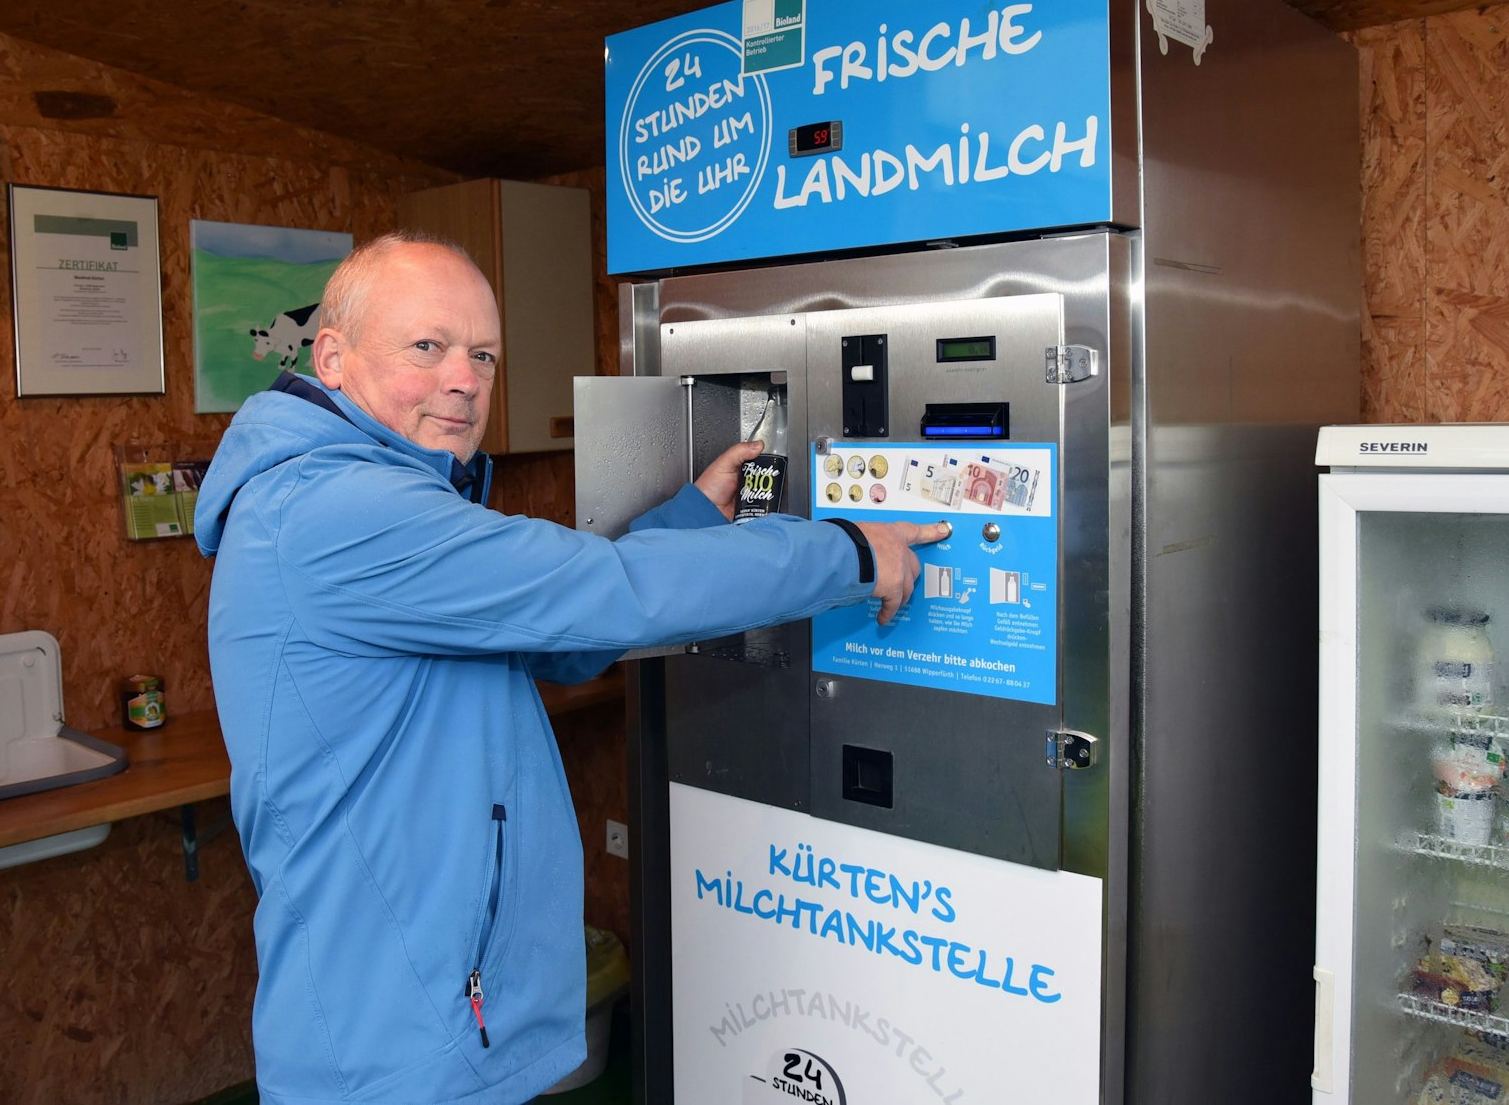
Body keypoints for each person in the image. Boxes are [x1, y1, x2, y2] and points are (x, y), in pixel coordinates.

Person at [194, 231, 947, 1105]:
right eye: (427, 347)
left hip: (430, 1023)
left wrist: (695, 519)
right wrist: (850, 550)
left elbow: (566, 641)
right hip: (391, 1053)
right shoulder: (333, 511)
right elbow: (599, 593)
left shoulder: (375, 499)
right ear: (332, 356)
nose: (464, 379)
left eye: (483, 353)